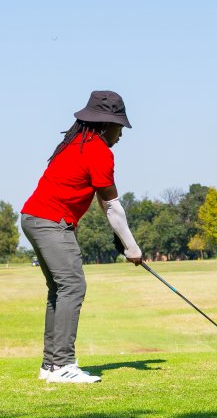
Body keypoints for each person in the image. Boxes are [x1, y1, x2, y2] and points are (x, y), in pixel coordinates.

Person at [19, 90, 143, 384]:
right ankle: (62, 364)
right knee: (72, 286)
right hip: (50, 221)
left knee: (60, 289)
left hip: (33, 218)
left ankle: (51, 365)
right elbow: (112, 205)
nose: (121, 134)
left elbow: (102, 202)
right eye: (118, 126)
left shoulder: (75, 142)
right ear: (104, 124)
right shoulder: (99, 151)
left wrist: (120, 240)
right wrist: (132, 247)